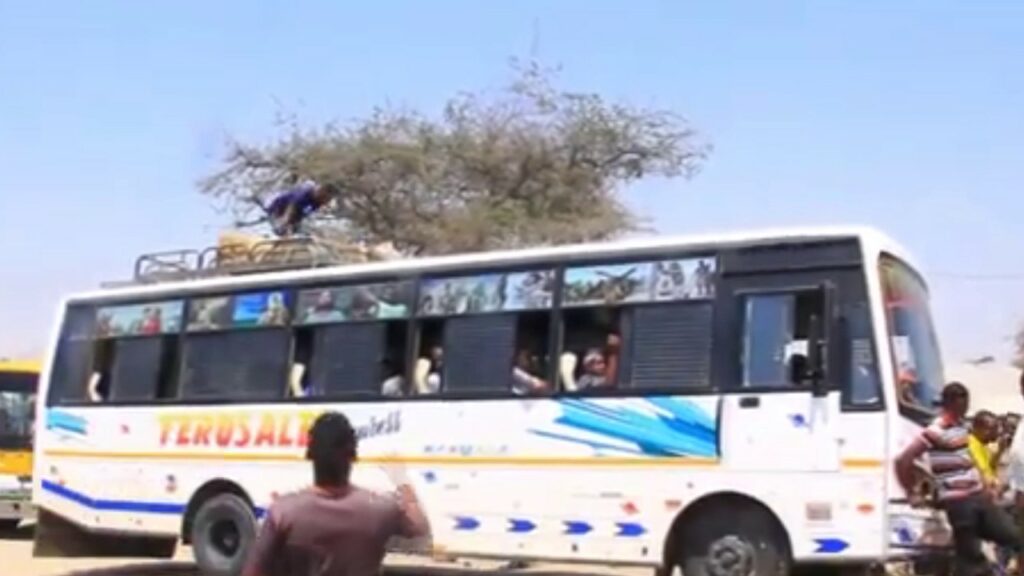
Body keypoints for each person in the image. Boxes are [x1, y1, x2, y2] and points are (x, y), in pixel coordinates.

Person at [243, 412, 429, 576]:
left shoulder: (284, 512)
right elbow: (421, 528)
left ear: (309, 455)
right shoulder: (380, 509)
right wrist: (402, 481)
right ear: (353, 455)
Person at [895, 382, 1024, 576]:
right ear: (950, 403)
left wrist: (985, 485)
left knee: (1013, 537)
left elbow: (968, 460)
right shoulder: (936, 430)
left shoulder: (962, 427)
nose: (965, 408)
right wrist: (911, 492)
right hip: (959, 502)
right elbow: (903, 460)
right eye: (962, 404)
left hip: (978, 497)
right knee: (970, 561)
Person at [266, 180, 338, 237]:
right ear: (321, 191)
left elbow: (304, 214)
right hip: (279, 209)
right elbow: (291, 207)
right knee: (281, 229)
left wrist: (294, 225)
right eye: (326, 199)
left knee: (297, 230)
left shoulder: (318, 202)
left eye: (328, 200)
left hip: (296, 214)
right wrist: (284, 222)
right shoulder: (305, 194)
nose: (326, 202)